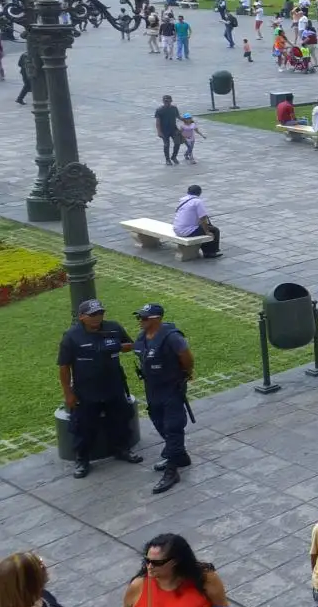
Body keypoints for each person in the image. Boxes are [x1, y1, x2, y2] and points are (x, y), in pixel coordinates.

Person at [58, 299, 139, 479]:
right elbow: (64, 367)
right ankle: (82, 459)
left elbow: (130, 345)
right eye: (93, 314)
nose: (98, 317)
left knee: (120, 420)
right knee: (84, 426)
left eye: (100, 313)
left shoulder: (113, 327)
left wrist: (117, 346)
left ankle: (122, 449)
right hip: (86, 391)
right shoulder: (71, 336)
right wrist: (68, 393)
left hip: (114, 385)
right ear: (81, 317)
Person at [132, 304, 193, 495]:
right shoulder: (142, 337)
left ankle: (172, 471)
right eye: (139, 318)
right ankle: (179, 455)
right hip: (152, 387)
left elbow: (186, 357)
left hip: (170, 387)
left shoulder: (172, 337)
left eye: (144, 318)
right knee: (157, 419)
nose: (140, 321)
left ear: (156, 319)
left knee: (173, 426)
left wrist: (185, 373)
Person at [172, 184, 220, 258]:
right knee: (214, 230)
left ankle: (207, 250)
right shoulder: (197, 202)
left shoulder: (182, 199)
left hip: (177, 229)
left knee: (203, 229)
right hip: (187, 231)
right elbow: (203, 218)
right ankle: (210, 252)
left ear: (188, 191)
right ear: (199, 193)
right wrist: (207, 232)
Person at [154, 95, 182, 165]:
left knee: (177, 143)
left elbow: (178, 116)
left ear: (171, 101)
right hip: (164, 130)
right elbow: (158, 122)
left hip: (173, 129)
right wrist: (159, 132)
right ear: (163, 101)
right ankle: (167, 159)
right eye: (165, 101)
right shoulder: (159, 110)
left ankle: (174, 157)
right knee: (166, 145)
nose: (167, 102)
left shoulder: (174, 108)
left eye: (168, 101)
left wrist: (187, 121)